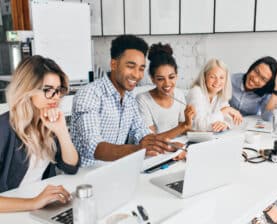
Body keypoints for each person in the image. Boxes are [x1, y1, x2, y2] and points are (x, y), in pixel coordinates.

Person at [71, 35, 175, 166]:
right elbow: (93, 146)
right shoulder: (90, 94)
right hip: (85, 176)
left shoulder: (129, 96)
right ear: (114, 64)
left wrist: (167, 146)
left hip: (116, 171)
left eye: (141, 68)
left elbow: (140, 130)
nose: (137, 75)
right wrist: (139, 149)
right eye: (131, 66)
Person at [0, 55, 79, 212]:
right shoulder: (4, 128)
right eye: (47, 90)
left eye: (58, 90)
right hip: (11, 213)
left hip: (37, 206)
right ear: (27, 90)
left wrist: (62, 131)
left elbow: (71, 167)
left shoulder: (47, 122)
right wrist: (34, 202)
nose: (56, 97)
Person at [136, 42, 195, 139]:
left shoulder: (179, 94)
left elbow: (184, 131)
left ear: (176, 75)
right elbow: (150, 140)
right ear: (152, 78)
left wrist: (204, 134)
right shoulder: (142, 100)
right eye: (160, 79)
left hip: (179, 147)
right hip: (157, 150)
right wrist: (184, 125)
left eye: (171, 77)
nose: (167, 84)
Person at [230, 56, 277, 121]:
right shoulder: (230, 80)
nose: (255, 79)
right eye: (256, 71)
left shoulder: (266, 92)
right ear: (252, 67)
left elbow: (268, 118)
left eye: (263, 79)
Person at [187, 58, 242, 132]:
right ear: (204, 77)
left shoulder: (220, 94)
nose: (217, 81)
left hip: (210, 138)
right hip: (192, 138)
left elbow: (231, 119)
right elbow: (200, 126)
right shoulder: (196, 91)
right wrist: (225, 110)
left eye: (221, 77)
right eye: (212, 77)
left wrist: (224, 124)